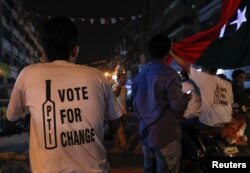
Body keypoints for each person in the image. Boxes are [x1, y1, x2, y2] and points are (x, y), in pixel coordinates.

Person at [3, 16, 121, 173]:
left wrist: (26, 125)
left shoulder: (28, 74)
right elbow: (115, 122)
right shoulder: (96, 76)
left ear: (43, 50)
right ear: (75, 49)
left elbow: (9, 125)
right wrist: (105, 133)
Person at [132, 34, 189, 173]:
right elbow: (178, 105)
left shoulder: (138, 77)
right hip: (166, 136)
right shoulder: (169, 74)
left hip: (146, 133)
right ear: (167, 52)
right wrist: (186, 98)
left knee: (149, 169)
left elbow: (135, 106)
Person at [171, 50, 233, 158]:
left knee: (179, 126)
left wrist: (171, 52)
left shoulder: (205, 79)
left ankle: (196, 151)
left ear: (205, 69)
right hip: (226, 121)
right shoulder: (227, 84)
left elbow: (185, 65)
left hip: (208, 123)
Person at [112, 73, 129, 154]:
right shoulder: (115, 86)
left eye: (125, 78)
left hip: (123, 112)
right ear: (118, 79)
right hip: (116, 112)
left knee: (120, 130)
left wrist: (126, 111)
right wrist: (118, 88)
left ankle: (117, 143)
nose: (124, 79)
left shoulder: (125, 89)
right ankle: (125, 147)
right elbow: (114, 94)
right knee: (121, 131)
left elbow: (123, 101)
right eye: (122, 78)